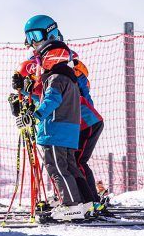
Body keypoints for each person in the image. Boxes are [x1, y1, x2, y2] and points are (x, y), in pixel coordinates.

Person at [23, 14, 104, 207]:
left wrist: (38, 96)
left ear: (49, 33)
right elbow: (46, 94)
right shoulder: (50, 62)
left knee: (72, 164)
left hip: (81, 121)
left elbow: (64, 93)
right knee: (69, 164)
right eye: (28, 37)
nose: (31, 42)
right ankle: (79, 199)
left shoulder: (65, 61)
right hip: (69, 122)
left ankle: (84, 201)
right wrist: (27, 90)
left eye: (35, 35)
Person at [16, 40, 91, 220]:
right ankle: (84, 203)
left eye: (41, 59)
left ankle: (71, 206)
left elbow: (51, 100)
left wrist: (34, 115)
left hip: (56, 130)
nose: (40, 64)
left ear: (50, 57)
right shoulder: (68, 78)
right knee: (70, 168)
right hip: (67, 131)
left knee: (56, 168)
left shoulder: (56, 78)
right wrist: (25, 93)